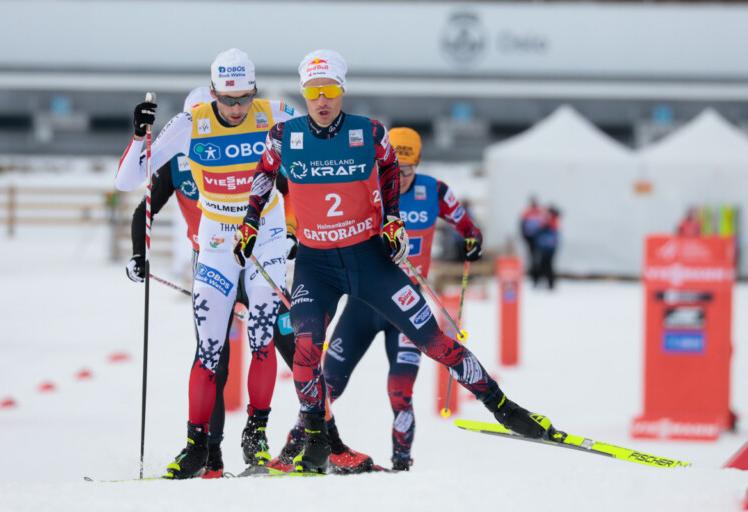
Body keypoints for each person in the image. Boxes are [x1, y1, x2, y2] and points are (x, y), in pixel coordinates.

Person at [232, 49, 562, 475]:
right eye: (314, 92)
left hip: (369, 260)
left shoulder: (368, 132)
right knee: (306, 348)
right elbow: (262, 175)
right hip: (317, 265)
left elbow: (389, 167)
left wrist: (391, 218)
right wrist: (249, 223)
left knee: (436, 341)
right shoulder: (284, 136)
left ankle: (506, 409)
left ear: (342, 90)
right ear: (304, 93)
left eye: (330, 90)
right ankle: (315, 439)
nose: (322, 100)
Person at [116, 48, 299, 479]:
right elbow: (127, 181)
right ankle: (198, 447)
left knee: (262, 337)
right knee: (209, 350)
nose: (235, 110)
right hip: (216, 242)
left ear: (254, 91)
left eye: (243, 99)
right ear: (212, 92)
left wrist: (301, 230)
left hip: (265, 239)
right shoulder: (189, 123)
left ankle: (256, 434)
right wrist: (139, 135)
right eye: (226, 100)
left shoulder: (276, 114)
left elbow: (312, 169)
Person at [533, 206, 560, 290]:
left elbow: (550, 230)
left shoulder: (553, 220)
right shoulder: (549, 220)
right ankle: (542, 282)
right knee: (543, 265)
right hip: (545, 246)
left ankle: (550, 283)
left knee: (548, 265)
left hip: (549, 247)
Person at [520, 196, 546, 282]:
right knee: (533, 259)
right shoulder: (527, 212)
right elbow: (522, 226)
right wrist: (526, 238)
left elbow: (545, 225)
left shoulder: (540, 212)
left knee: (541, 259)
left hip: (540, 239)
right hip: (530, 239)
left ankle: (541, 276)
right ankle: (535, 278)